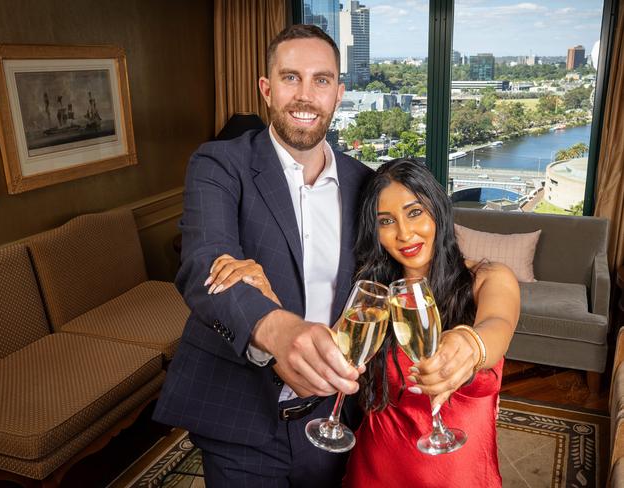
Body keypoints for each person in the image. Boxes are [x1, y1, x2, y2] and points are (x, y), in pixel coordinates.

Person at [152, 24, 373, 487]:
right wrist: (276, 329)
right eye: (291, 78)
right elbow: (202, 261)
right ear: (267, 89)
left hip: (335, 415)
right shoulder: (219, 163)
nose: (305, 95)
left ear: (338, 93)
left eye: (322, 80)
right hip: (239, 414)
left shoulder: (367, 185)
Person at [210, 158, 519, 487]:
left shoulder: (489, 279)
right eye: (386, 221)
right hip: (376, 470)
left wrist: (470, 345)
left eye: (415, 212)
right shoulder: (371, 299)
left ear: (438, 208)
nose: (404, 233)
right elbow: (322, 359)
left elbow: (497, 325)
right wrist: (265, 297)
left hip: (460, 476)